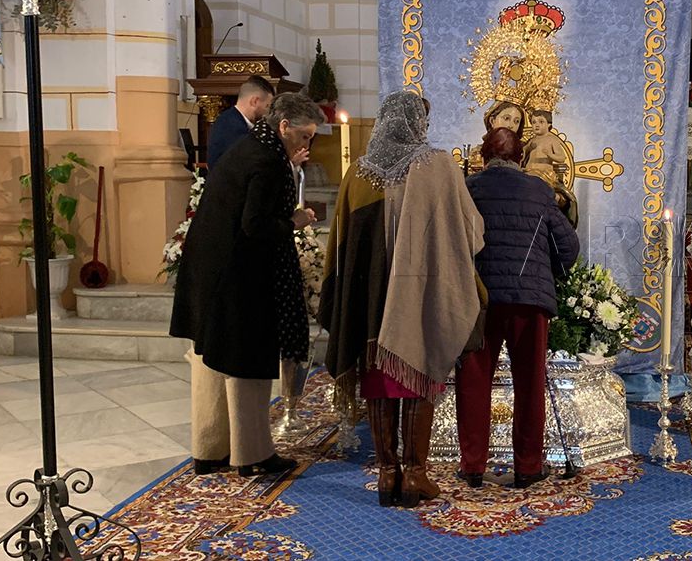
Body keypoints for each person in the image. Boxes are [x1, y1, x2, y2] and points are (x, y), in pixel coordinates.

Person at [320, 90, 485, 508]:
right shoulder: (438, 166)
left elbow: (339, 245)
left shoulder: (357, 173)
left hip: (369, 302)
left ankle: (386, 473)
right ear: (416, 123)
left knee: (377, 380)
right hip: (420, 294)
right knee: (417, 370)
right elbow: (471, 233)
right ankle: (414, 474)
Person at [170, 92, 320, 477]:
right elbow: (256, 225)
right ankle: (252, 455)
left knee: (212, 361)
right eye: (304, 136)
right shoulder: (267, 160)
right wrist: (296, 220)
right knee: (248, 363)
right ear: (284, 126)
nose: (307, 145)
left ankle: (210, 448)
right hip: (239, 276)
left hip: (213, 270)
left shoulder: (251, 146)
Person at [456, 127, 579, 490]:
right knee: (530, 384)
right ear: (521, 158)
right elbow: (568, 247)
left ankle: (473, 465)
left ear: (482, 155)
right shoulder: (540, 191)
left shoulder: (469, 189)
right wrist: (546, 272)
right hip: (530, 300)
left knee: (474, 382)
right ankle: (528, 466)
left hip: (480, 301)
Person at [523, 109, 578, 227]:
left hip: (544, 174)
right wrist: (526, 149)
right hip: (528, 172)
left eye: (541, 121)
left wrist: (550, 154)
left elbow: (561, 157)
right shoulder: (532, 141)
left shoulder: (552, 140)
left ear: (549, 124)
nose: (536, 125)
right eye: (533, 122)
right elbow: (522, 156)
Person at [207, 75, 275, 169]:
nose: (268, 112)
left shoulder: (231, 119)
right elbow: (252, 164)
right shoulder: (233, 127)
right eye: (267, 106)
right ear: (254, 101)